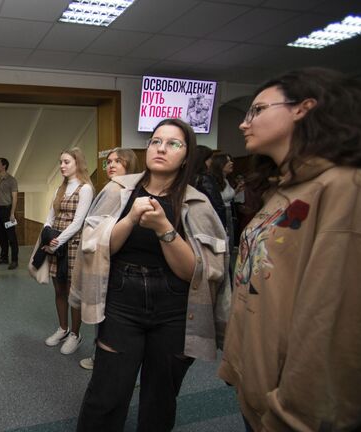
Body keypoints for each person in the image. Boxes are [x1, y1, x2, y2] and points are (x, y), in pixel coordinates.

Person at [219, 67, 361, 431]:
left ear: (302, 108)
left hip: (299, 411)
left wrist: (292, 416)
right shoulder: (282, 189)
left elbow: (339, 323)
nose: (244, 124)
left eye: (257, 110)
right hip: (262, 389)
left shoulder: (348, 186)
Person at [76, 119, 230, 431]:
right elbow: (100, 248)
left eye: (174, 143)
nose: (161, 148)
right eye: (156, 141)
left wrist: (164, 229)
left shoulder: (197, 203)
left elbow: (195, 274)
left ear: (186, 156)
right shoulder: (118, 191)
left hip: (174, 309)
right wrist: (131, 218)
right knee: (106, 395)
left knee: (160, 400)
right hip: (122, 301)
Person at [75, 147, 138, 371]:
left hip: (107, 255)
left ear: (128, 165)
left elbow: (94, 226)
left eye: (117, 162)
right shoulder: (137, 188)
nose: (111, 165)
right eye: (108, 162)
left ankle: (99, 357)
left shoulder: (114, 189)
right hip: (124, 258)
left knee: (103, 306)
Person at [42, 148, 94, 355]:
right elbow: (50, 216)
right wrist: (47, 232)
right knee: (59, 290)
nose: (62, 166)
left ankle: (75, 334)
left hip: (73, 246)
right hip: (56, 243)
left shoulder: (86, 189)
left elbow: (78, 222)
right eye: (60, 162)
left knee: (74, 294)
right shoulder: (59, 189)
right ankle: (62, 329)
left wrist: (57, 242)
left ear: (77, 163)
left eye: (66, 162)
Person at [0, 158, 19, 269]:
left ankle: (14, 260)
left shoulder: (12, 180)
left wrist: (12, 214)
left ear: (4, 166)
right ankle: (4, 258)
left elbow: (15, 198)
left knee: (11, 237)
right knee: (1, 236)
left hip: (8, 211)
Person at [192, 145, 225, 226]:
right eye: (210, 158)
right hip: (208, 221)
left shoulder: (187, 177)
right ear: (203, 160)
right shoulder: (205, 178)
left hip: (194, 220)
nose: (211, 162)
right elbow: (217, 205)